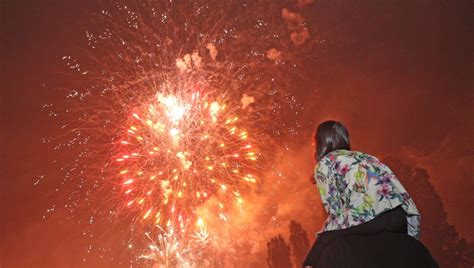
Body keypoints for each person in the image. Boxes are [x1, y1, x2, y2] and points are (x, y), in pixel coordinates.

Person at [303, 120, 438, 268]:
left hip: (366, 218)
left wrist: (314, 255)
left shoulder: (326, 163)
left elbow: (335, 209)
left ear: (321, 143)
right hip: (397, 216)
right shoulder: (368, 158)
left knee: (319, 247)